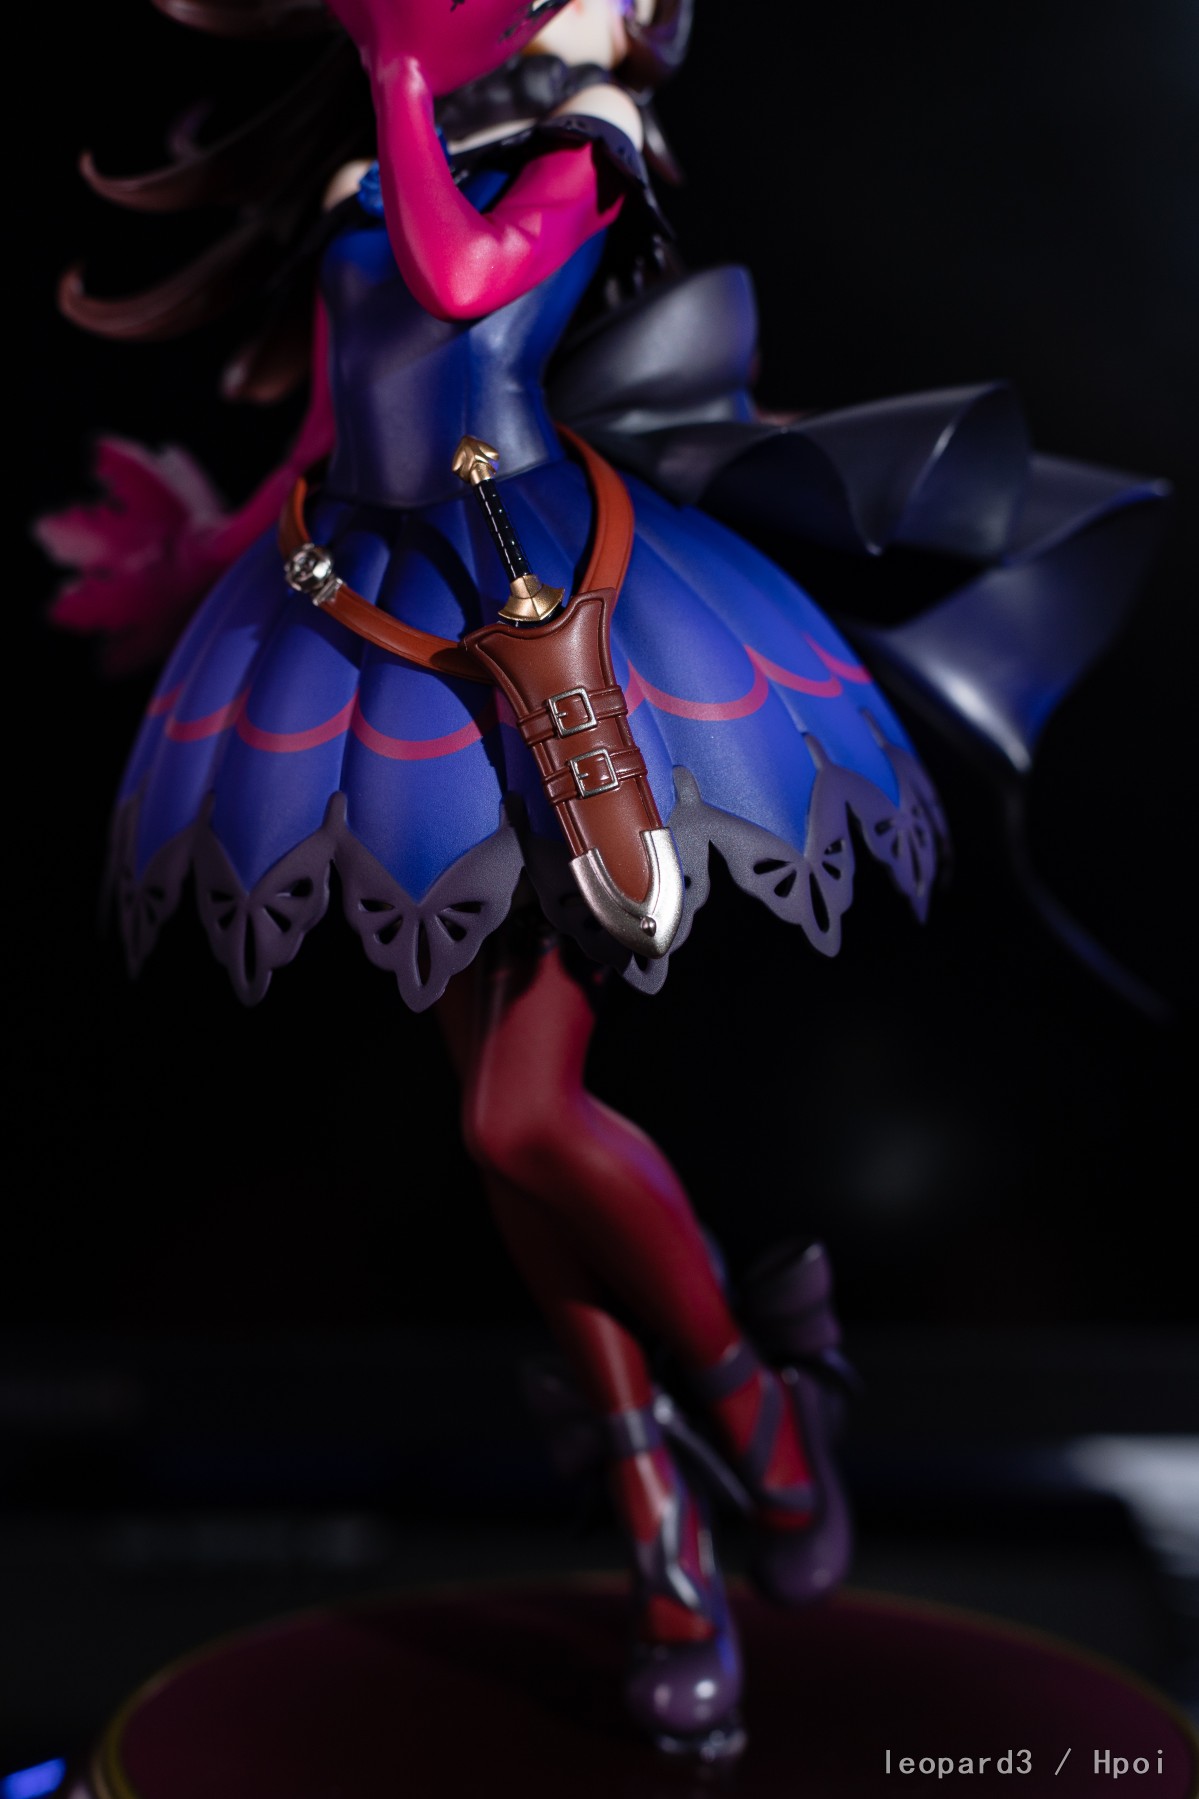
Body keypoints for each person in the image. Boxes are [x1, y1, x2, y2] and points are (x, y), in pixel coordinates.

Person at [40, 0, 1165, 1759]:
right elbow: (344, 410)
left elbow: (467, 282)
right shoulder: (378, 169)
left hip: (539, 613)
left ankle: (747, 1424)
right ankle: (670, 1538)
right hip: (376, 620)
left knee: (516, 1118)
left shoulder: (588, 149)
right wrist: (200, 547)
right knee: (498, 1128)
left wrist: (395, 72)